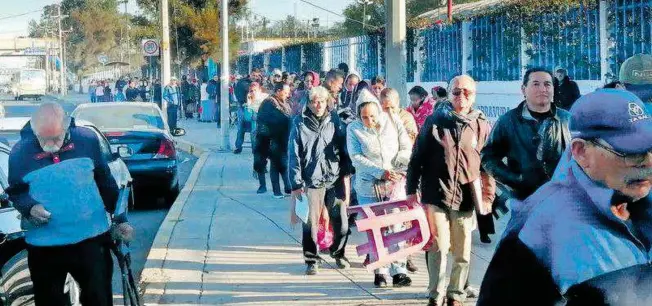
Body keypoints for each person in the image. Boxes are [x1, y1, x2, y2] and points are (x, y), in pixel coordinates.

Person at [478, 89, 652, 305]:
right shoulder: (539, 228)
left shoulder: (640, 201)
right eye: (631, 153)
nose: (647, 162)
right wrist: (516, 180)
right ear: (581, 152)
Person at [6, 103, 133, 306]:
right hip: (45, 246)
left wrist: (120, 220)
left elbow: (105, 182)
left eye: (56, 138)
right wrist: (29, 207)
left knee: (99, 299)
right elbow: (16, 191)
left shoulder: (87, 140)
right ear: (34, 130)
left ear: (66, 127)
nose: (51, 145)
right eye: (44, 139)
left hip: (90, 239)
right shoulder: (20, 153)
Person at [406, 75, 496, 306]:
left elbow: (487, 164)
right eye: (456, 92)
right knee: (438, 246)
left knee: (463, 249)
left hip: (466, 197)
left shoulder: (481, 124)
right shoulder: (435, 120)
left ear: (474, 96)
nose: (461, 96)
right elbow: (417, 157)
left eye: (467, 92)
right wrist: (411, 190)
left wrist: (487, 195)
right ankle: (435, 295)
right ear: (449, 94)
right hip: (437, 193)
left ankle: (455, 294)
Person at [347, 89, 413, 288]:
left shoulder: (392, 120)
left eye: (373, 116)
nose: (370, 121)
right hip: (369, 186)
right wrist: (380, 171)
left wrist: (398, 167)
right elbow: (356, 158)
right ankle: (380, 270)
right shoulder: (353, 129)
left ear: (379, 111)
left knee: (396, 226)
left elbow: (406, 146)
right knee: (376, 228)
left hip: (394, 183)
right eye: (365, 117)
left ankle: (399, 269)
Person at [288, 86, 352, 275]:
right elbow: (294, 154)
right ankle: (311, 259)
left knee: (341, 222)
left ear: (327, 102)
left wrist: (347, 168)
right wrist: (296, 182)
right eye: (314, 101)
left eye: (322, 101)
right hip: (311, 181)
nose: (318, 105)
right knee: (310, 224)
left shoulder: (335, 121)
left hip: (334, 178)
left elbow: (344, 147)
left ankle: (338, 252)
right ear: (308, 103)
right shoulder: (299, 123)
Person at [481, 67, 571, 201]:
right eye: (536, 84)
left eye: (547, 84)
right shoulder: (508, 121)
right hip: (524, 200)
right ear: (523, 89)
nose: (543, 89)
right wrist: (516, 180)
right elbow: (488, 157)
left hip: (563, 198)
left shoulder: (568, 119)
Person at [254, 83, 293, 198]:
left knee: (283, 165)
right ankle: (276, 191)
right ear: (278, 91)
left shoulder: (283, 102)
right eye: (285, 92)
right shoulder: (269, 103)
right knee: (276, 165)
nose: (288, 95)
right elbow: (273, 120)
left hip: (281, 139)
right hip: (270, 140)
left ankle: (287, 188)